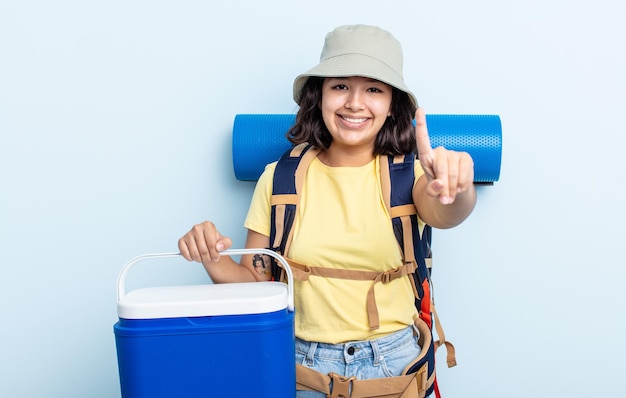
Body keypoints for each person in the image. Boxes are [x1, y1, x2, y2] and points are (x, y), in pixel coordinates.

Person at [178, 24, 476, 397]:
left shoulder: (409, 175)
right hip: (301, 366)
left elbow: (446, 213)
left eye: (373, 89)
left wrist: (457, 190)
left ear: (392, 105)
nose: (354, 102)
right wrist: (210, 256)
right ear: (318, 96)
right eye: (339, 86)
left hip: (393, 364)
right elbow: (255, 287)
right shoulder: (279, 178)